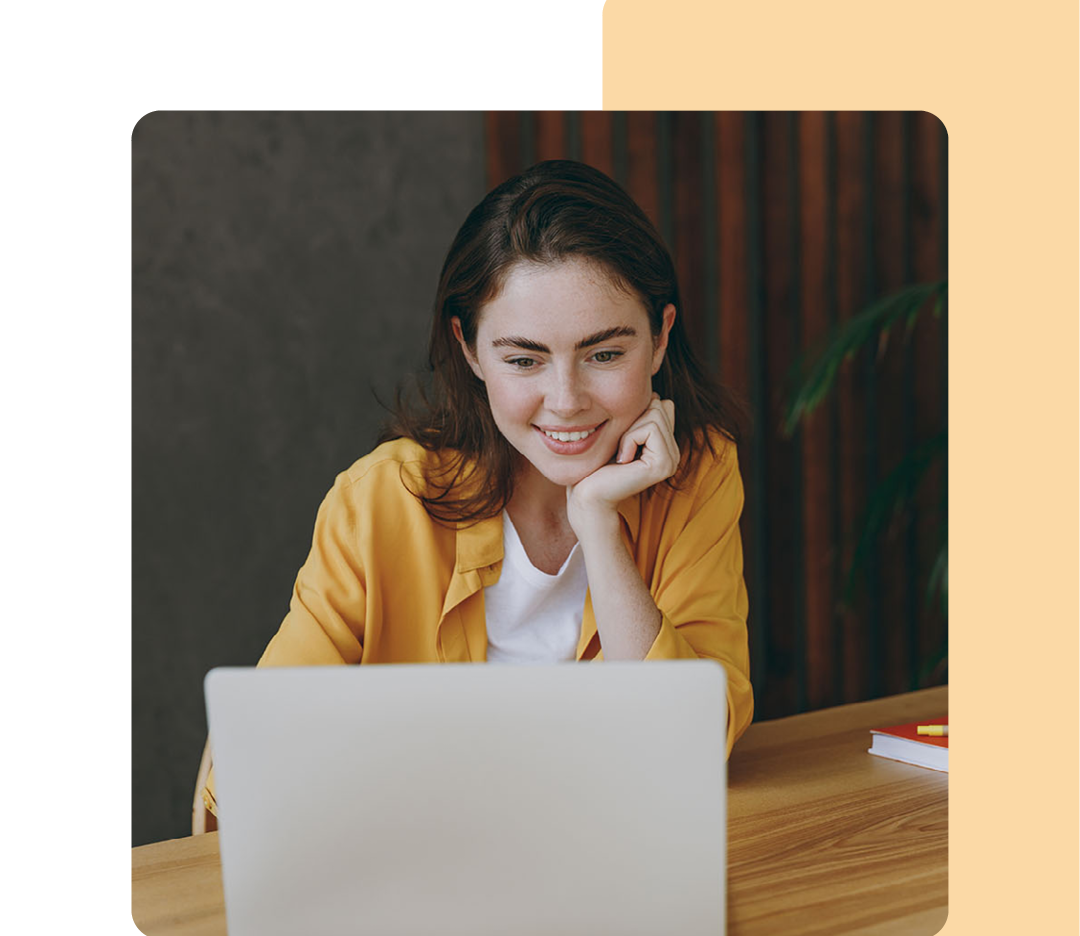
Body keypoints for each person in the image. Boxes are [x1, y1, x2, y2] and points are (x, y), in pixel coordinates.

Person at [198, 159, 753, 829]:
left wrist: (599, 524)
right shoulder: (381, 500)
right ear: (469, 351)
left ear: (661, 338)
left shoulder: (698, 474)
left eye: (605, 354)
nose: (566, 401)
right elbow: (248, 755)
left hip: (613, 854)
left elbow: (691, 744)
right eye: (524, 360)